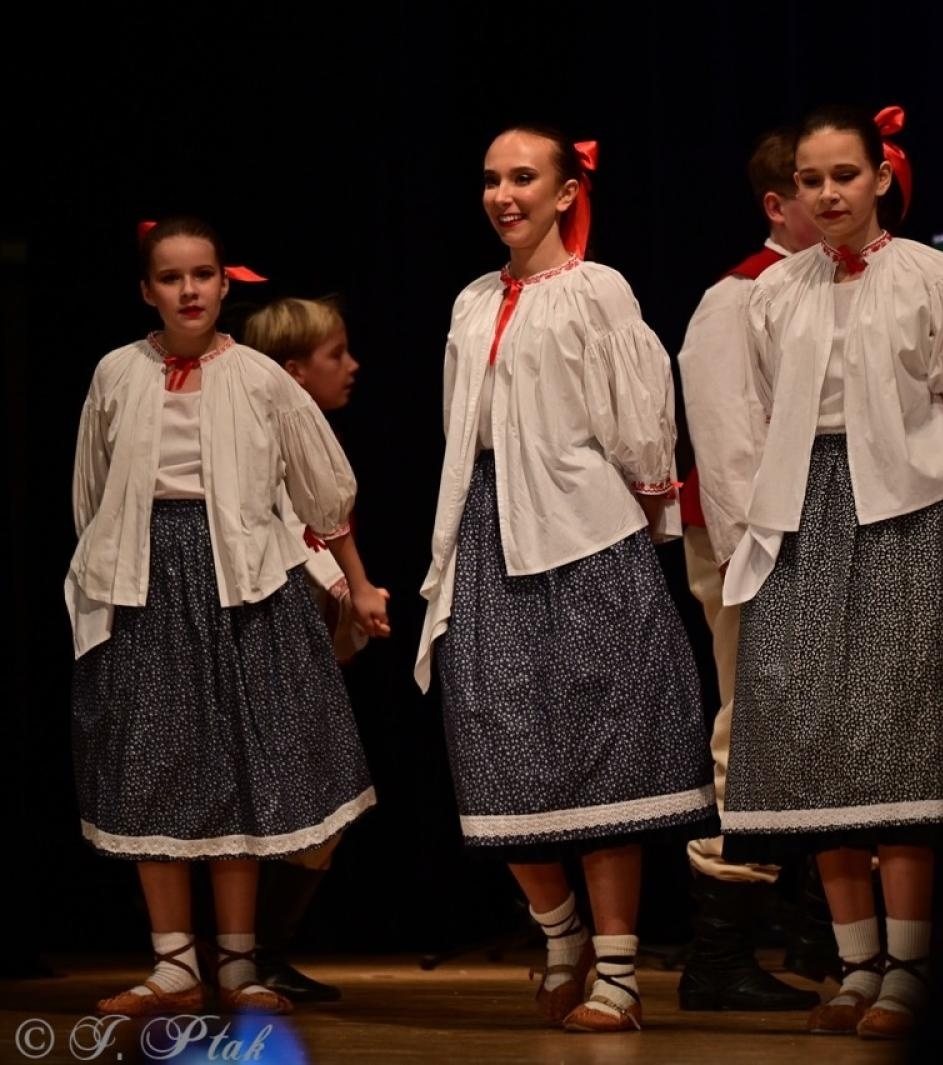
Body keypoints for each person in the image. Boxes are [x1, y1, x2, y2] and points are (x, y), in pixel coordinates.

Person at [414, 124, 715, 1033]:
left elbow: (638, 414)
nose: (504, 194)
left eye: (523, 178)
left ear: (565, 192)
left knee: (603, 747)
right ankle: (559, 932)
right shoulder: (471, 301)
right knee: (494, 737)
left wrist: (640, 511)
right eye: (492, 179)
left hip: (584, 530)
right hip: (487, 525)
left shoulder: (596, 289)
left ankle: (617, 969)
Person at [719, 104, 943, 1040]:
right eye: (811, 179)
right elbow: (767, 411)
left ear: (882, 177)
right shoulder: (776, 291)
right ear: (791, 191)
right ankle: (855, 963)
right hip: (802, 517)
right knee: (815, 741)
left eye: (845, 174)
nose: (828, 193)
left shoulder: (934, 279)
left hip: (907, 517)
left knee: (901, 733)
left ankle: (911, 966)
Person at [68, 217, 378, 1016]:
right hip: (146, 580)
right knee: (157, 763)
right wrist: (109, 573)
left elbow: (322, 486)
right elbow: (91, 494)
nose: (189, 290)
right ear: (148, 290)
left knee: (240, 764)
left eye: (202, 274)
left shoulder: (259, 378)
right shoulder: (116, 373)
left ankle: (239, 962)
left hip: (241, 578)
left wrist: (360, 583)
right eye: (171, 278)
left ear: (224, 284)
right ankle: (174, 963)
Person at [675, 125, 826, 1013]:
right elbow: (728, 443)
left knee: (807, 733)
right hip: (752, 547)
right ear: (780, 204)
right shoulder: (737, 296)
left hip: (806, 544)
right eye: (813, 187)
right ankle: (718, 957)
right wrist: (754, 560)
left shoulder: (818, 289)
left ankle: (809, 933)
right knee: (755, 729)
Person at [241, 296, 391, 1003]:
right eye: (337, 355)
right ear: (293, 373)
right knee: (297, 796)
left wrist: (353, 593)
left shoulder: (313, 452)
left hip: (304, 639)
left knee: (324, 798)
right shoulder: (256, 455)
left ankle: (260, 950)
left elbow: (324, 536)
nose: (353, 366)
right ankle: (242, 953)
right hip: (259, 637)